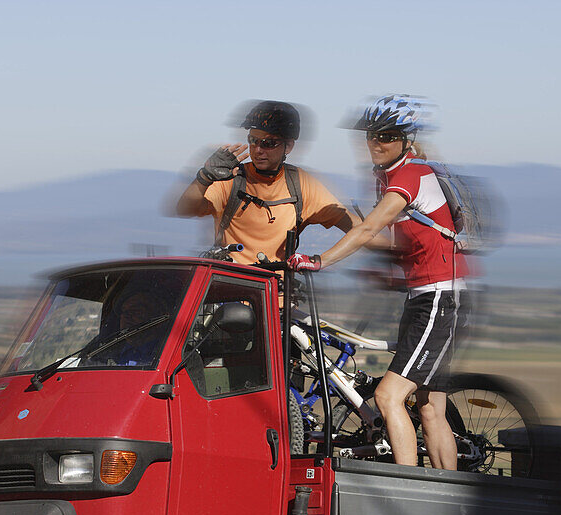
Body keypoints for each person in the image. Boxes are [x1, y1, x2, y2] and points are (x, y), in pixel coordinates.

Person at [287, 94, 470, 470]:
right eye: (371, 135)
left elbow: (371, 227)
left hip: (439, 298)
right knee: (430, 406)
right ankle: (449, 490)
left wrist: (320, 260)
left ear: (406, 139)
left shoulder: (411, 174)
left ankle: (407, 487)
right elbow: (393, 240)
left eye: (386, 136)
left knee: (389, 397)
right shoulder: (387, 176)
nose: (376, 143)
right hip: (425, 296)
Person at [175, 100, 360, 264]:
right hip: (227, 291)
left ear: (288, 146)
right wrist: (204, 178)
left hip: (275, 296)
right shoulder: (232, 177)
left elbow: (358, 229)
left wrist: (319, 261)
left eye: (268, 143)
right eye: (253, 141)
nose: (257, 150)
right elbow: (184, 209)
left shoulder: (301, 184)